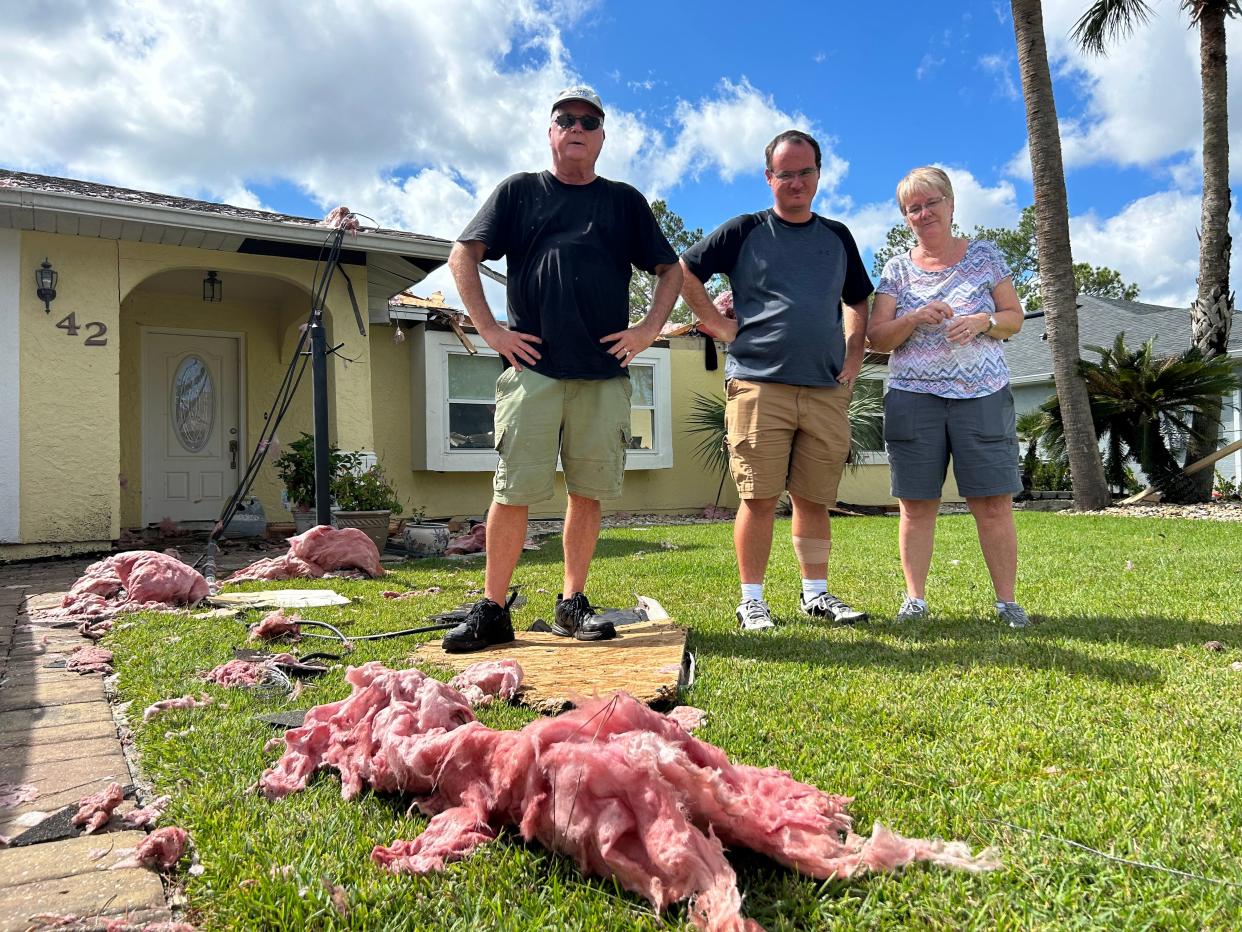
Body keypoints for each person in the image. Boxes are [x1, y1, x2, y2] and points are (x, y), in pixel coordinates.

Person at [442, 85, 682, 653]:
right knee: (513, 491)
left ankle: (572, 604)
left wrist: (649, 329)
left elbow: (669, 271)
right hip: (535, 371)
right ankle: (494, 610)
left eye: (589, 121)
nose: (577, 127)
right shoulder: (519, 193)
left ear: (601, 137)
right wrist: (491, 331)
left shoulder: (624, 202)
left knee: (587, 492)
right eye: (565, 119)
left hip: (602, 373)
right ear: (551, 132)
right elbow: (462, 254)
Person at [680, 130, 873, 631]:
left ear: (818, 175)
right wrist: (718, 325)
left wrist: (854, 352)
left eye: (804, 171)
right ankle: (753, 601)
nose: (796, 182)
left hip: (825, 387)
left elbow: (858, 300)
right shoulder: (746, 230)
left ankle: (816, 595)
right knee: (759, 497)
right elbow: (684, 270)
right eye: (785, 173)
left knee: (814, 499)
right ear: (769, 178)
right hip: (759, 384)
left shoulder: (837, 236)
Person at [866, 166, 1029, 628]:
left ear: (951, 204)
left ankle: (1007, 603)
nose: (923, 213)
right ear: (906, 217)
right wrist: (913, 318)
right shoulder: (896, 270)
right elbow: (878, 338)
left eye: (931, 202)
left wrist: (983, 321)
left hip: (982, 394)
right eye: (912, 208)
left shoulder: (985, 257)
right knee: (916, 504)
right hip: (914, 397)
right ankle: (914, 599)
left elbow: (1014, 318)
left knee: (993, 501)